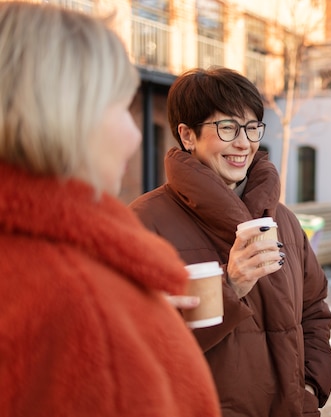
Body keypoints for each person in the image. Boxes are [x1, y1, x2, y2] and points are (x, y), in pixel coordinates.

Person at [0, 3, 221, 416]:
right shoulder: (85, 310)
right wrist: (126, 318)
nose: (135, 136)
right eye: (122, 107)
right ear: (67, 114)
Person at [129, 67, 331, 417]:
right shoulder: (145, 222)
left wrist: (310, 387)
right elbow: (138, 342)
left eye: (252, 127)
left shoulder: (282, 219)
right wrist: (230, 285)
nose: (244, 143)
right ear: (187, 135)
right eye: (227, 128)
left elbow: (314, 311)